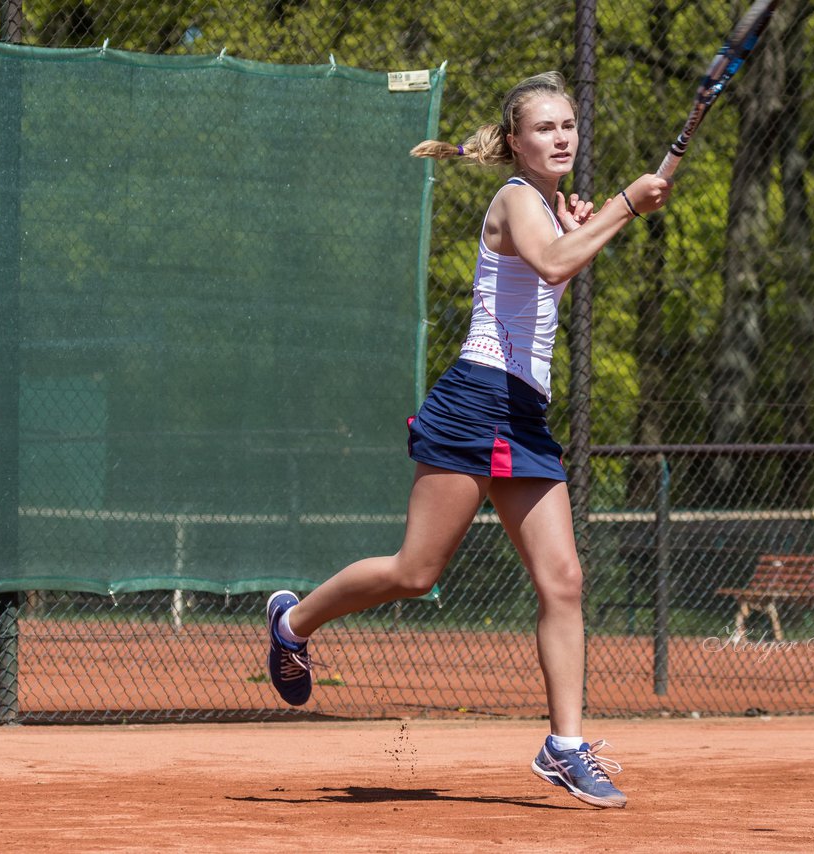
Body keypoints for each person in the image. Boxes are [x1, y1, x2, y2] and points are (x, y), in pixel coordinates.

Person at [265, 70, 671, 809]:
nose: (559, 137)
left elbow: (548, 286)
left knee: (565, 581)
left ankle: (565, 746)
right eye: (543, 127)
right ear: (514, 142)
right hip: (476, 400)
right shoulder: (516, 198)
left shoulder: (547, 208)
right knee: (415, 573)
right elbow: (549, 263)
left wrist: (589, 224)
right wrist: (623, 207)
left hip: (524, 411)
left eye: (568, 126)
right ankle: (292, 623)